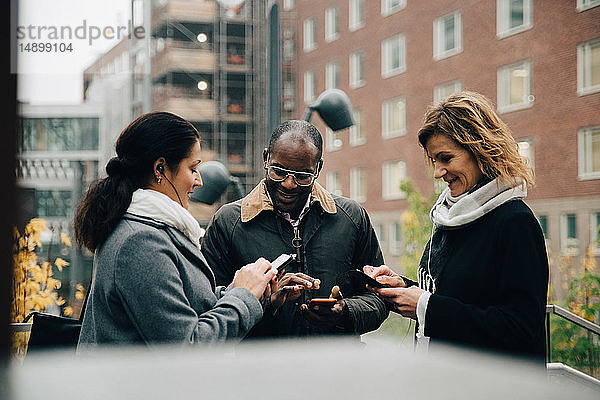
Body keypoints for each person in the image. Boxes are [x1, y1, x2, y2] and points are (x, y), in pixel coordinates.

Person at [364, 91, 548, 361]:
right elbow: (456, 295)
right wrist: (403, 287)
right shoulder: (452, 216)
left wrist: (425, 307)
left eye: (446, 158)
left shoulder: (515, 222)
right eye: (434, 160)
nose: (437, 172)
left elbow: (520, 327)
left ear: (480, 150)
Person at [74, 111, 276, 351]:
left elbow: (188, 304)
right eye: (193, 168)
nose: (199, 181)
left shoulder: (150, 229)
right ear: (160, 168)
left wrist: (250, 290)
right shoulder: (140, 243)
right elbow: (186, 348)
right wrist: (243, 295)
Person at [202, 120, 388, 339]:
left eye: (302, 176)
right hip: (261, 370)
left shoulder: (352, 217)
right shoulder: (228, 222)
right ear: (265, 159)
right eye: (279, 172)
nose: (289, 184)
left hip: (338, 368)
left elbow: (379, 297)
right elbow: (207, 308)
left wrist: (345, 311)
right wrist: (266, 303)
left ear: (318, 168)